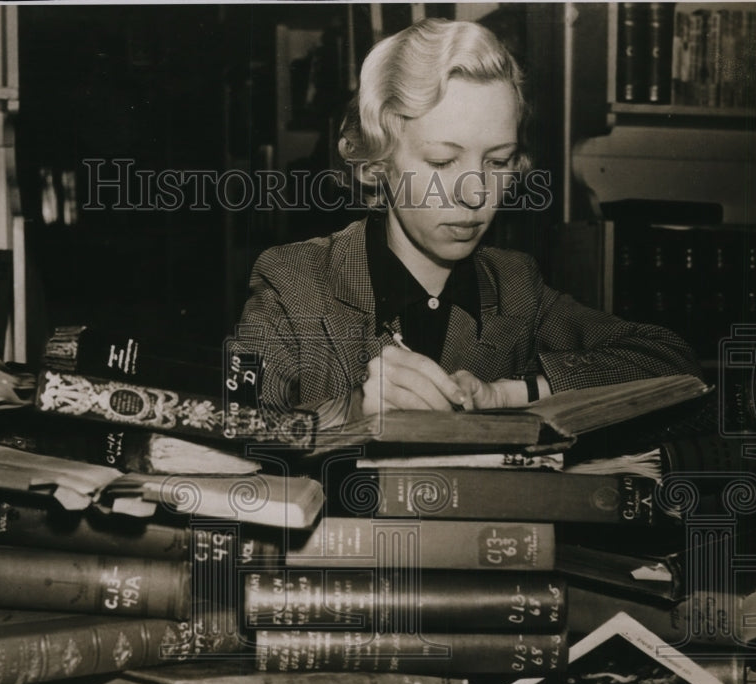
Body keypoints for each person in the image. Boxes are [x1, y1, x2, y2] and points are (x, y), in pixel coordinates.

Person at [232, 19, 701, 426]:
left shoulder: (516, 287)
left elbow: (672, 361)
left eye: (497, 162)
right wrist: (350, 412)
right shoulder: (292, 282)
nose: (476, 194)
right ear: (379, 162)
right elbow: (238, 427)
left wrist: (512, 393)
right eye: (442, 162)